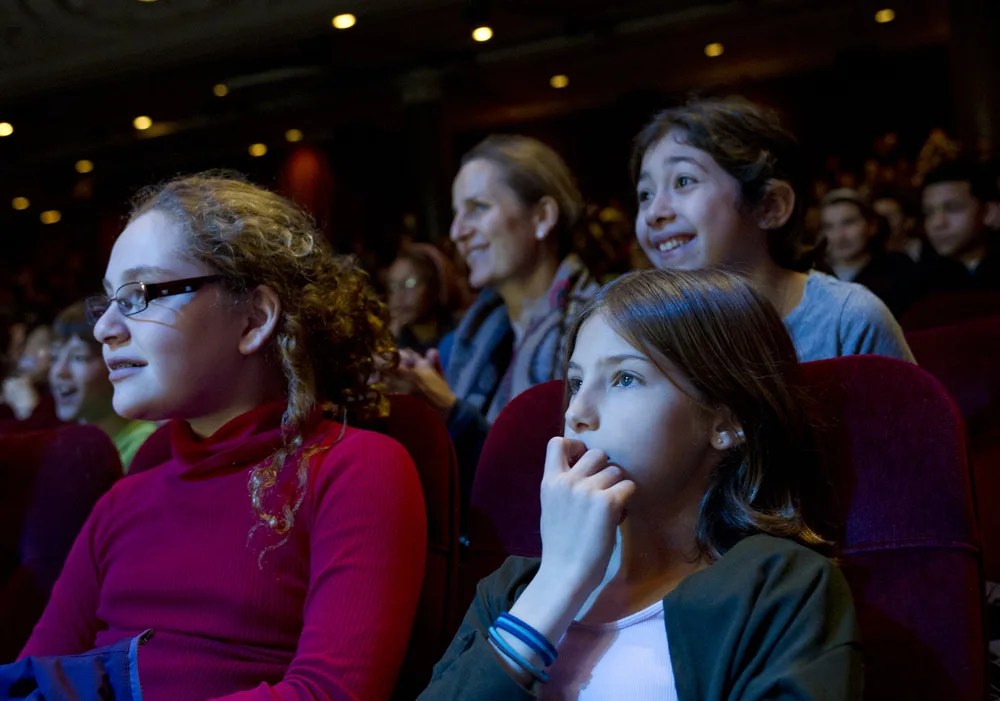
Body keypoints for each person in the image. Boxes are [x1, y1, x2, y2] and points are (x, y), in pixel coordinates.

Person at [16, 174, 427, 701]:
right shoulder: (121, 502)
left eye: (140, 294)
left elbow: (331, 694)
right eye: (110, 301)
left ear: (253, 319)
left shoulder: (355, 468)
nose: (105, 329)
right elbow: (31, 682)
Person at [420, 268, 862, 700]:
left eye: (624, 378)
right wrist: (556, 582)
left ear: (726, 421)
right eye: (575, 382)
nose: (578, 413)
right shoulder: (515, 587)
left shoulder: (780, 588)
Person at [631, 97, 914, 362]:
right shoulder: (649, 340)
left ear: (770, 206)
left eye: (683, 181)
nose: (654, 212)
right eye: (645, 194)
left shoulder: (846, 320)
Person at [397, 135, 598, 498]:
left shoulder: (598, 329)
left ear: (542, 217)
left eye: (477, 207)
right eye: (457, 213)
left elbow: (554, 483)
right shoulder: (463, 341)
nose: (458, 232)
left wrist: (453, 413)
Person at [49, 301, 157, 471]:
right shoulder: (69, 445)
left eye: (79, 357)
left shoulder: (145, 448)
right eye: (54, 356)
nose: (59, 371)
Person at [819, 188, 921, 317]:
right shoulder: (813, 276)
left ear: (871, 226)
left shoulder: (898, 268)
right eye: (829, 226)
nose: (839, 236)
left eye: (848, 223)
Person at [922, 159, 1000, 290]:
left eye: (953, 208)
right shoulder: (917, 283)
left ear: (988, 212)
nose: (937, 223)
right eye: (929, 212)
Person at [387, 242, 466, 354]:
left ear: (434, 286)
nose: (399, 296)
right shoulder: (389, 342)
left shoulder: (463, 331)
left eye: (409, 283)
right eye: (393, 286)